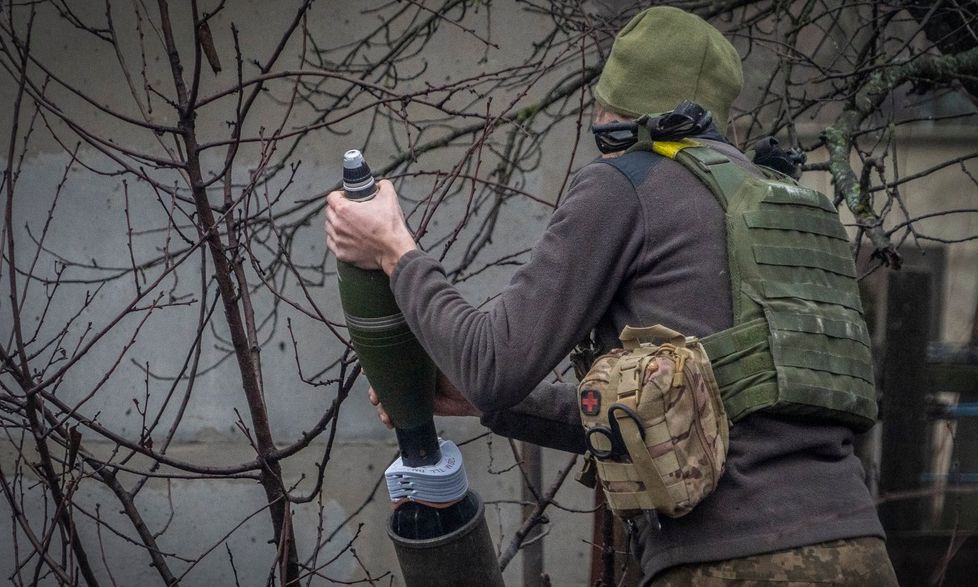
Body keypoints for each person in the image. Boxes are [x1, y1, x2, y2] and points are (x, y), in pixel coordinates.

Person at [325, 6, 898, 585]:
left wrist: (393, 249)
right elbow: (693, 416)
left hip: (733, 561)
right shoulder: (780, 204)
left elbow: (490, 364)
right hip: (860, 549)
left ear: (615, 117)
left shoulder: (629, 181)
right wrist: (481, 403)